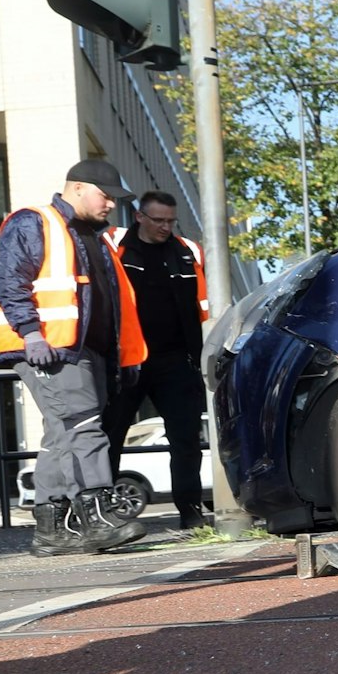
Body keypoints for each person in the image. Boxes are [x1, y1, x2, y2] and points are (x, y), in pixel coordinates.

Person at [0, 159, 148, 556]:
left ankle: (52, 529)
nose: (111, 205)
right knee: (84, 426)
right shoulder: (35, 222)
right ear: (78, 188)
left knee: (63, 433)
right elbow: (9, 281)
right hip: (50, 349)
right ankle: (97, 518)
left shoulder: (94, 237)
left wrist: (121, 358)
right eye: (105, 196)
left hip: (81, 351)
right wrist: (31, 334)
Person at [103, 190, 210, 530]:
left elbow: (203, 307)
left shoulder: (187, 252)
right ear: (139, 217)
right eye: (158, 220)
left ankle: (191, 513)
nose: (165, 227)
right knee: (110, 436)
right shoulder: (115, 248)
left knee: (185, 439)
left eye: (170, 221)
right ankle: (105, 514)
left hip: (176, 360)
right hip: (126, 360)